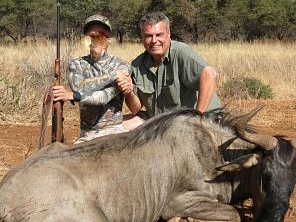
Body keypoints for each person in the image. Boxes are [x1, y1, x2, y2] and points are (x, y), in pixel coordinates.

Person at [117, 11, 222, 123]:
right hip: (163, 121)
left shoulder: (181, 52)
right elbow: (135, 109)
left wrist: (197, 118)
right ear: (142, 36)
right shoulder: (137, 65)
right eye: (148, 36)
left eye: (159, 35)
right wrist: (128, 92)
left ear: (168, 33)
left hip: (198, 119)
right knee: (121, 125)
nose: (154, 40)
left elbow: (209, 74)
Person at [53, 14, 133, 143]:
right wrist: (113, 75)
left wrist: (74, 96)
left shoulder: (121, 65)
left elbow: (105, 97)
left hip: (114, 130)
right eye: (91, 35)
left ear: (109, 39)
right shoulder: (76, 64)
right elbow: (79, 87)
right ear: (86, 39)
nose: (95, 38)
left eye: (101, 34)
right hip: (87, 134)